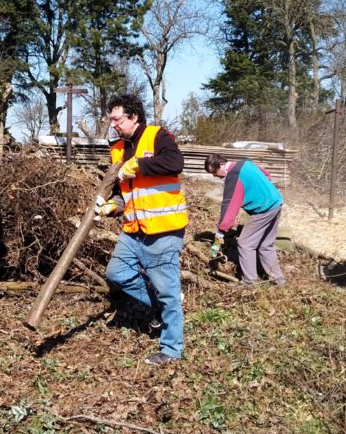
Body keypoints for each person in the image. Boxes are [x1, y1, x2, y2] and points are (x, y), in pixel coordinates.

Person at [96, 94, 188, 366]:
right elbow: (125, 195)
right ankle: (157, 307)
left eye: (117, 119)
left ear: (134, 116)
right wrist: (110, 207)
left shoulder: (158, 136)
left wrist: (137, 165)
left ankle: (171, 349)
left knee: (168, 290)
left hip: (163, 229)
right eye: (111, 119)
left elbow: (175, 164)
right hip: (133, 229)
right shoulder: (118, 149)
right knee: (116, 273)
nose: (113, 125)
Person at [205, 153, 285, 288]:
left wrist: (219, 235)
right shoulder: (245, 163)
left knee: (245, 243)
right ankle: (279, 280)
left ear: (221, 165)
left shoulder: (233, 177)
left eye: (214, 172)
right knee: (266, 245)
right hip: (276, 202)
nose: (215, 176)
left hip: (264, 209)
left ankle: (249, 282)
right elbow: (266, 174)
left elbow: (229, 207)